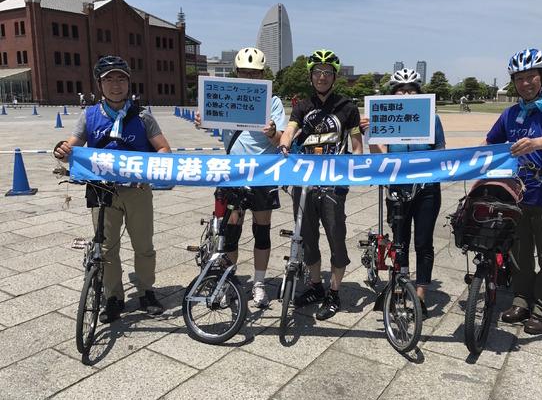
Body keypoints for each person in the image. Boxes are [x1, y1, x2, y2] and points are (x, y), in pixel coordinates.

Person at [53, 56, 172, 323]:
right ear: (99, 84)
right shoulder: (89, 115)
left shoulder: (143, 116)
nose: (115, 85)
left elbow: (164, 148)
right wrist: (61, 150)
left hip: (137, 190)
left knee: (144, 246)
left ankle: (146, 292)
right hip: (101, 190)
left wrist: (148, 171)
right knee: (106, 249)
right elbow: (71, 147)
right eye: (108, 80)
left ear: (129, 82)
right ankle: (114, 296)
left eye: (120, 79)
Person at [485, 48, 542, 335]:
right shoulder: (511, 113)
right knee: (519, 254)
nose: (526, 83)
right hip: (519, 196)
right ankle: (521, 300)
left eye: (531, 77)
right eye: (519, 78)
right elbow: (491, 143)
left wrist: (537, 143)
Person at [194, 47, 286, 308]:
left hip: (262, 174)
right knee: (230, 232)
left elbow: (281, 139)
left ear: (262, 74)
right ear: (236, 73)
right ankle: (229, 281)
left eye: (255, 73)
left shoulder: (273, 101)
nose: (249, 77)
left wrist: (271, 133)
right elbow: (210, 120)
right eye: (245, 72)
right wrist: (202, 119)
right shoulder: (226, 95)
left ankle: (258, 284)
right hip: (232, 174)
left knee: (262, 231)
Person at [278, 49, 363, 320]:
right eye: (317, 72)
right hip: (304, 184)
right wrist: (284, 142)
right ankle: (315, 285)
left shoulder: (348, 107)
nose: (322, 77)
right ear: (311, 75)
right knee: (307, 239)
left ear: (335, 76)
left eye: (327, 72)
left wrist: (350, 175)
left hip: (333, 185)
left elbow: (358, 147)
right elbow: (291, 129)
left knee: (336, 238)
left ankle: (334, 293)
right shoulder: (303, 105)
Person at [359, 68, 445, 319]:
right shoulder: (387, 117)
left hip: (427, 189)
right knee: (400, 241)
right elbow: (380, 156)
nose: (407, 94)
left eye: (412, 91)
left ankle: (420, 295)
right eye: (401, 91)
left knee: (424, 242)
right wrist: (371, 132)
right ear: (393, 95)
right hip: (397, 189)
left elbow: (440, 152)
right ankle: (401, 283)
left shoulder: (433, 119)